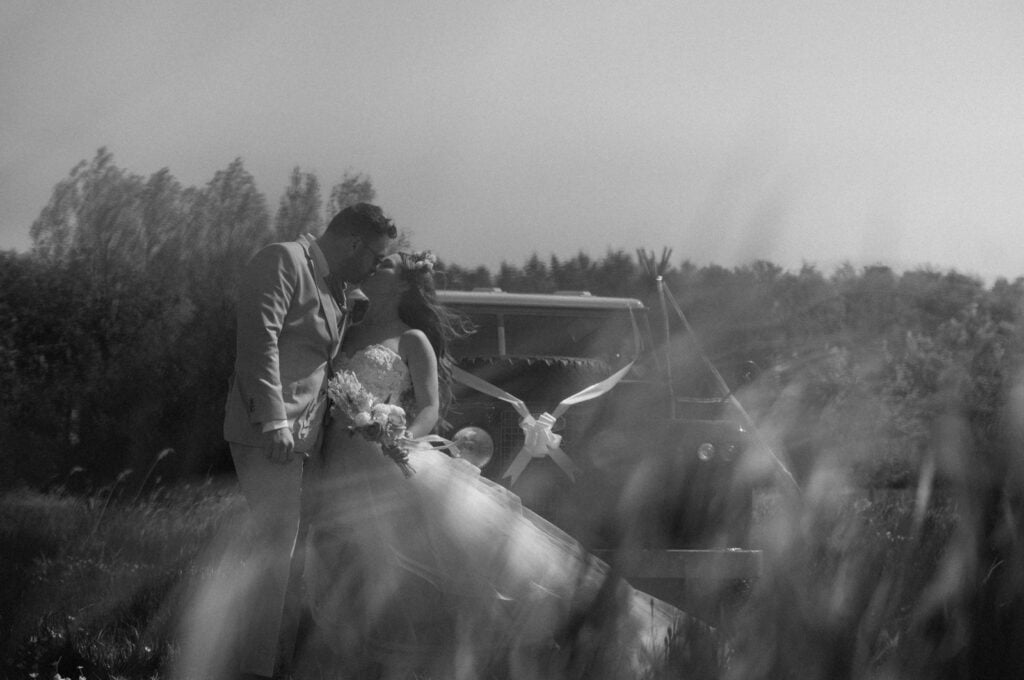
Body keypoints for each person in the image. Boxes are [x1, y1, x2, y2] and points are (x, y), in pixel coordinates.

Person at [297, 251, 692, 680]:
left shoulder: (413, 338)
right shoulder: (344, 328)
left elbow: (430, 406)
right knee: (348, 567)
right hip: (336, 461)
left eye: (385, 266)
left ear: (402, 285)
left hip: (384, 457)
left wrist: (393, 431)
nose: (373, 268)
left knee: (433, 568)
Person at [221, 202, 396, 680]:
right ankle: (250, 670)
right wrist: (274, 420)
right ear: (354, 243)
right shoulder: (282, 260)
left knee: (295, 559)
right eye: (376, 258)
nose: (377, 267)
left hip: (308, 438)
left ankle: (268, 661)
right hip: (270, 435)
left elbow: (317, 357)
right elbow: (259, 341)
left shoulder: (334, 285)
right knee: (277, 552)